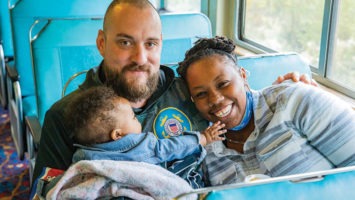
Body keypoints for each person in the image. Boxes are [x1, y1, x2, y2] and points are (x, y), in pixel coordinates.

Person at [32, 0, 314, 186]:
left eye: (151, 44)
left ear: (161, 45)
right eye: (125, 42)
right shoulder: (68, 116)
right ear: (102, 43)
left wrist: (285, 93)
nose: (140, 57)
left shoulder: (191, 91)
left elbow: (240, 110)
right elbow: (49, 190)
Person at [177, 36, 355, 186]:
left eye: (223, 84)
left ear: (243, 76)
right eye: (201, 94)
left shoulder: (295, 101)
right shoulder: (205, 155)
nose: (215, 99)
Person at [66, 86, 224, 173]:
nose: (137, 118)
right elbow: (170, 148)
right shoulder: (140, 146)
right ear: (118, 134)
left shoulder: (81, 157)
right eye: (133, 117)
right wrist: (202, 138)